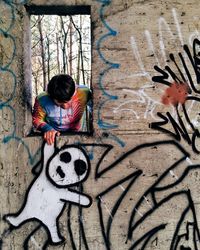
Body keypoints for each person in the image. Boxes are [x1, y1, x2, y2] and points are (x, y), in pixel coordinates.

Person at [32, 74, 91, 145]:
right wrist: (47, 129)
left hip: (77, 134)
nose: (65, 106)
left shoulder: (84, 92)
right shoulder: (42, 100)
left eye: (68, 100)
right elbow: (36, 119)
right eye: (60, 103)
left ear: (74, 91)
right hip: (54, 137)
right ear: (51, 97)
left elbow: (96, 107)